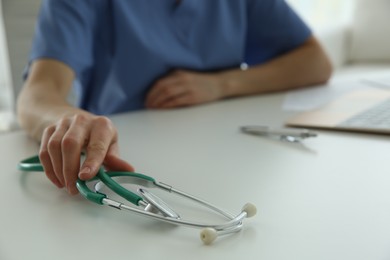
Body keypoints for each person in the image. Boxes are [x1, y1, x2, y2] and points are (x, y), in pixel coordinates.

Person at [17, 0, 332, 195]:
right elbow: (38, 94)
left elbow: (316, 62)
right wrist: (73, 124)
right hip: (126, 158)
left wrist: (222, 85)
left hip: (229, 155)